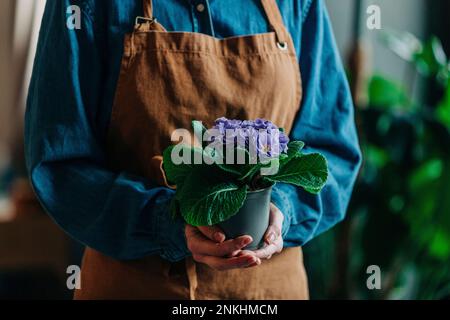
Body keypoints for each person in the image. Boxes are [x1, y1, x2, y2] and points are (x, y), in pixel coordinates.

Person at [25, 0, 362, 299]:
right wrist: (168, 221)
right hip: (135, 286)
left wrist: (281, 209)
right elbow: (60, 163)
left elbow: (334, 151)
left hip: (270, 289)